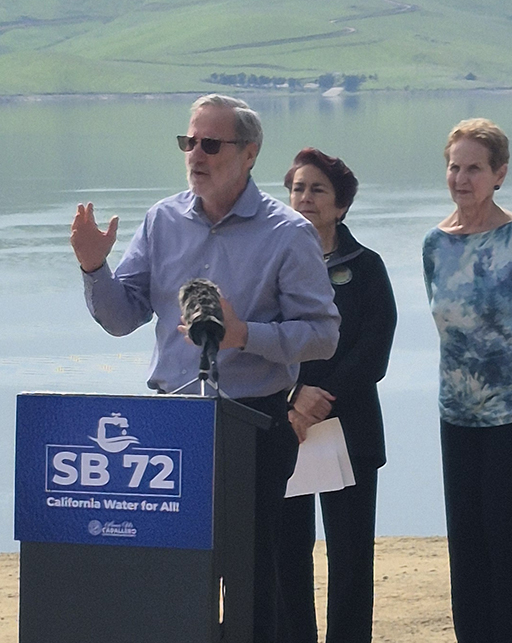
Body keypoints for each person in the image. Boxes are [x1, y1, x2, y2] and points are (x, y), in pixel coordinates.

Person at [69, 94, 340, 643]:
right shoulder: (161, 220)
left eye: (210, 144)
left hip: (254, 427)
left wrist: (245, 335)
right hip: (170, 430)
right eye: (187, 141)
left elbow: (323, 335)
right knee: (172, 574)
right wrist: (94, 267)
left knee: (252, 579)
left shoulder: (288, 234)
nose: (195, 153)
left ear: (249, 153)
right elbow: (121, 318)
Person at [422, 118, 512, 643]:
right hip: (456, 413)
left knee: (507, 546)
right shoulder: (435, 243)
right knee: (467, 548)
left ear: (499, 173)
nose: (461, 178)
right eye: (454, 166)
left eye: (474, 168)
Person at [278, 148, 397, 643]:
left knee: (350, 557)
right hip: (284, 427)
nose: (305, 198)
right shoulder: (272, 261)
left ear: (341, 205)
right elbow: (257, 339)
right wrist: (291, 398)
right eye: (298, 188)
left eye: (317, 190)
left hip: (347, 428)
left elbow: (374, 353)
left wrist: (318, 397)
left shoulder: (367, 267)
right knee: (287, 553)